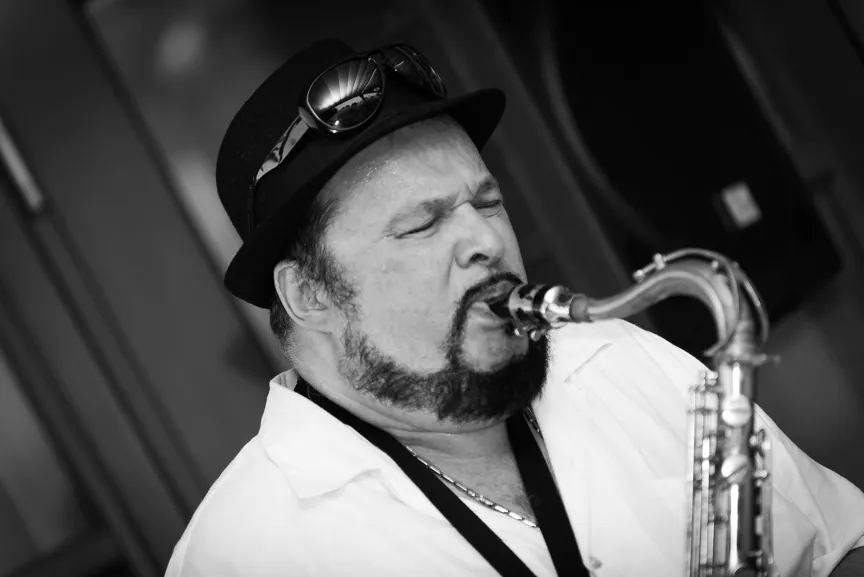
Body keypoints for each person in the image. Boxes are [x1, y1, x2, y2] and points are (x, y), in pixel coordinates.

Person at [165, 39, 864, 577]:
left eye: (488, 201)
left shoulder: (618, 357)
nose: (485, 239)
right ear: (309, 293)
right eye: (422, 224)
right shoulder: (241, 549)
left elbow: (840, 541)